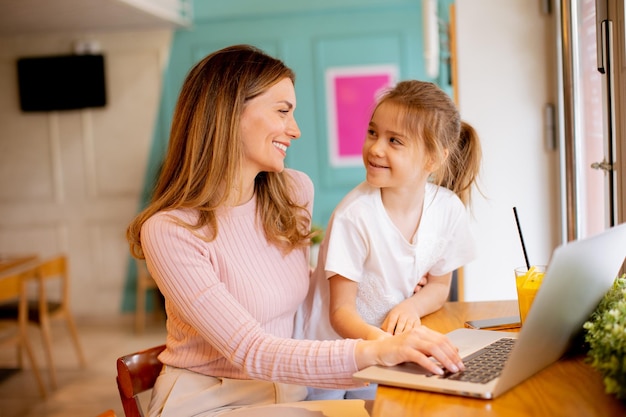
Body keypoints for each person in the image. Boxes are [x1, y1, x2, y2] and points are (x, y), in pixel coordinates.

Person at [126, 45, 465, 417]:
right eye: (283, 112)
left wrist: (383, 282)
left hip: (290, 394)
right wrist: (378, 351)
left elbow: (291, 289)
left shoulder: (292, 193)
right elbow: (250, 349)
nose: (296, 130)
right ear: (228, 113)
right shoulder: (169, 231)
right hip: (211, 402)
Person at [297, 80, 481, 400]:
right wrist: (386, 344)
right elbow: (340, 312)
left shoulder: (448, 210)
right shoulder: (354, 216)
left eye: (394, 140)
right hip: (328, 352)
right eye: (373, 133)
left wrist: (412, 307)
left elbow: (439, 286)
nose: (376, 148)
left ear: (433, 159)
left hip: (386, 352)